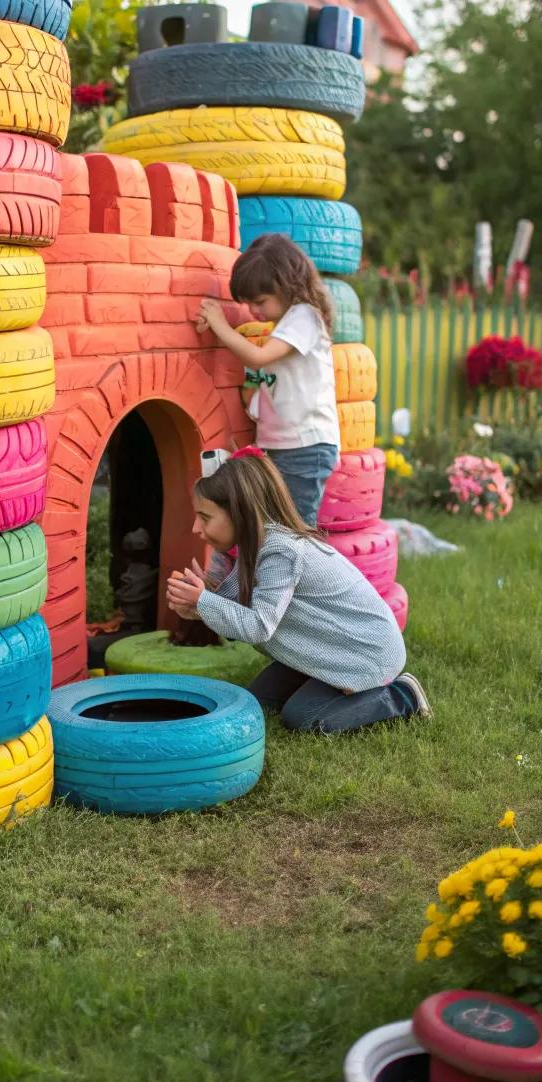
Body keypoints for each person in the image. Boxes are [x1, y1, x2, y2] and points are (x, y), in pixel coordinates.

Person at [166, 449, 431, 734]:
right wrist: (198, 607)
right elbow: (238, 617)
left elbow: (258, 626)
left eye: (205, 518)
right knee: (258, 703)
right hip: (327, 645)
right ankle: (322, 680)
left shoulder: (280, 552)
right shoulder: (252, 547)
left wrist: (204, 601)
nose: (196, 527)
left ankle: (401, 697)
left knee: (303, 718)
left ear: (240, 512)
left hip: (366, 651)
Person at [196, 233, 339, 526]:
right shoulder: (284, 326)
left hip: (304, 448)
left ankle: (308, 574)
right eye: (248, 304)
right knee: (279, 528)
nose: (253, 311)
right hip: (283, 447)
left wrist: (220, 325)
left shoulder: (304, 317)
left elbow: (257, 358)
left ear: (288, 285)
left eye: (260, 301)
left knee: (296, 532)